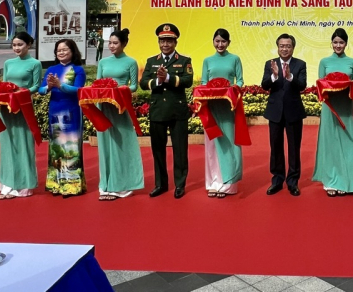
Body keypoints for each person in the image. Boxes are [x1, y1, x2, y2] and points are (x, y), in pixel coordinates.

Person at [139, 23, 193, 199]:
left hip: (177, 111)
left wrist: (168, 77)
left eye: (169, 41)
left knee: (180, 150)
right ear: (159, 42)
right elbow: (143, 83)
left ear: (175, 42)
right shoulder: (151, 61)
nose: (165, 44)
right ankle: (160, 184)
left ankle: (180, 184)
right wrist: (158, 81)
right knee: (158, 150)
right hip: (158, 110)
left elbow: (187, 81)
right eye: (162, 41)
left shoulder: (184, 60)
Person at [95, 28, 144, 201]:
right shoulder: (103, 62)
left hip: (120, 107)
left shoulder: (131, 62)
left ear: (124, 44)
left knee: (121, 145)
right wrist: (103, 90)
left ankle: (123, 184)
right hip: (104, 107)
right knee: (106, 145)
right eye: (110, 43)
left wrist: (118, 89)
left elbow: (133, 87)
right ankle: (106, 184)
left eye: (115, 43)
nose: (112, 46)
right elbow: (97, 83)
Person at [313, 28, 353, 196]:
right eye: (335, 42)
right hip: (330, 108)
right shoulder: (324, 62)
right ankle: (331, 182)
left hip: (346, 108)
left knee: (348, 144)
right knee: (331, 144)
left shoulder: (352, 62)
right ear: (331, 43)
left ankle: (348, 182)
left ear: (346, 44)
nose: (338, 45)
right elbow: (320, 85)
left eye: (341, 42)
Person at [38, 39, 87, 197]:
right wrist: (49, 87)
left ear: (73, 51)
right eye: (58, 50)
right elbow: (41, 90)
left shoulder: (78, 70)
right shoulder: (52, 69)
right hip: (55, 111)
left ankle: (72, 185)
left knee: (70, 147)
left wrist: (61, 86)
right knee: (56, 148)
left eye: (65, 50)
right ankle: (56, 183)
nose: (61, 53)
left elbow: (79, 90)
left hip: (71, 111)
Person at [261, 33, 307, 196]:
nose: (285, 48)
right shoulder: (270, 64)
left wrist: (289, 77)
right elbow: (264, 85)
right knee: (276, 147)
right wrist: (274, 75)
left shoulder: (300, 64)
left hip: (293, 111)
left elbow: (302, 86)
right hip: (275, 112)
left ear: (293, 48)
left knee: (294, 148)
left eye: (288, 46)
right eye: (282, 46)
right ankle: (277, 180)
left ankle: (293, 182)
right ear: (278, 47)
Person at [199, 28, 244, 198]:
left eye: (223, 41)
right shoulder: (207, 61)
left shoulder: (235, 59)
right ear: (213, 42)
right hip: (212, 107)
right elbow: (204, 82)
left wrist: (231, 89)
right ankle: (213, 183)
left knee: (229, 143)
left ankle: (229, 183)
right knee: (212, 144)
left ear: (228, 43)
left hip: (228, 107)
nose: (220, 44)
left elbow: (239, 81)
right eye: (217, 41)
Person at [0, 32, 42, 199]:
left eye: (20, 45)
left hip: (23, 107)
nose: (16, 48)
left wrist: (20, 93)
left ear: (29, 45)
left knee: (23, 144)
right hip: (7, 108)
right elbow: (4, 84)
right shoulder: (8, 63)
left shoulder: (35, 63)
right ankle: (8, 185)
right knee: (7, 145)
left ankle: (24, 185)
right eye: (14, 45)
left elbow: (36, 86)